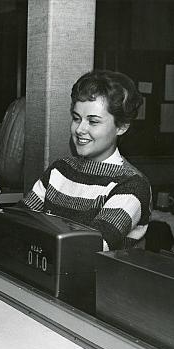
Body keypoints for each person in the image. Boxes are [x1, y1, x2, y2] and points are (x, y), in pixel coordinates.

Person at [18, 70, 151, 250]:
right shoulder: (60, 169)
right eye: (76, 118)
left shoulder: (132, 185)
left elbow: (86, 250)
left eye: (93, 121)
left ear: (121, 127)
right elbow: (18, 222)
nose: (80, 129)